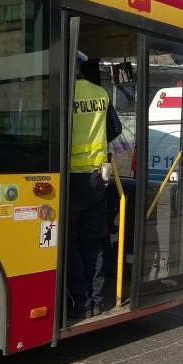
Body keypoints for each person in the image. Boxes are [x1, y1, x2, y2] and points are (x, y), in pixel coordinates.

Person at [67, 54, 122, 321]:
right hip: (98, 178)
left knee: (69, 242)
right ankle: (97, 302)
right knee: (93, 242)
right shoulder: (100, 93)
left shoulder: (63, 93)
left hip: (70, 179)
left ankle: (80, 301)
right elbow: (115, 128)